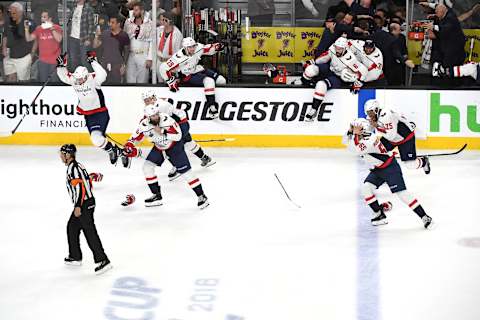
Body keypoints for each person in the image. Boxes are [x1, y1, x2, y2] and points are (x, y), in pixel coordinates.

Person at [344, 118, 434, 229]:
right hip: (378, 169)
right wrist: (350, 131)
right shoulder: (363, 136)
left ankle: (425, 217)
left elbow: (352, 148)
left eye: (354, 127)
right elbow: (346, 142)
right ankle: (379, 214)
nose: (352, 128)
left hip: (390, 168)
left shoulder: (368, 140)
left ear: (362, 129)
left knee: (402, 194)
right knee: (366, 188)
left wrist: (349, 134)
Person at [122, 106, 210, 209]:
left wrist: (163, 131)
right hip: (159, 148)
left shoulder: (167, 120)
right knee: (147, 167)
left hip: (174, 147)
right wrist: (129, 145)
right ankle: (156, 196)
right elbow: (134, 138)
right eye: (152, 116)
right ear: (148, 117)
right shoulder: (144, 124)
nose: (155, 117)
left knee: (186, 173)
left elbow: (178, 136)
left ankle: (201, 196)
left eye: (156, 114)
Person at [126, 90, 215, 179]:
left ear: (153, 98)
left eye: (148, 100)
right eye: (145, 101)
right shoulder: (153, 106)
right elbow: (147, 121)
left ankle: (177, 166)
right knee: (188, 142)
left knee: (167, 144)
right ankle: (205, 158)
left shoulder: (161, 106)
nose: (146, 102)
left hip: (181, 124)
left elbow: (164, 122)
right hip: (179, 123)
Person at [56, 51, 121, 165]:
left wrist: (93, 61)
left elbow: (103, 74)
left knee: (96, 139)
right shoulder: (75, 80)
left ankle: (112, 150)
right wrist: (61, 65)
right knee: (97, 139)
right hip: (88, 115)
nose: (79, 81)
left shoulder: (94, 79)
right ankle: (114, 149)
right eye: (78, 78)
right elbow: (64, 77)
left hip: (100, 113)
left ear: (86, 76)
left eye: (82, 78)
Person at [60, 144, 112, 274]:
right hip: (86, 202)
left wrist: (78, 206)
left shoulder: (74, 169)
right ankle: (75, 256)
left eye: (62, 154)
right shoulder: (77, 166)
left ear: (68, 155)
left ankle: (103, 260)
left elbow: (80, 188)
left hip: (83, 204)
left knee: (90, 232)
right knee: (72, 227)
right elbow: (87, 183)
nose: (60, 156)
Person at [301, 37, 368, 122]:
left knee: (321, 85)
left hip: (338, 78)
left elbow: (364, 70)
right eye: (337, 47)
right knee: (310, 69)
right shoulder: (333, 48)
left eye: (340, 49)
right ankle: (303, 82)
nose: (337, 50)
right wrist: (313, 62)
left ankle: (314, 110)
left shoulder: (351, 59)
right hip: (330, 69)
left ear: (345, 48)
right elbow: (325, 57)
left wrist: (359, 82)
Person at [159, 37, 226, 119]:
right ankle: (212, 108)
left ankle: (217, 100)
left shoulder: (198, 47)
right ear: (185, 48)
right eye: (190, 47)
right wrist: (170, 82)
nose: (193, 48)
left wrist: (216, 47)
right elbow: (163, 68)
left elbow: (208, 49)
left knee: (221, 81)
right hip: (188, 76)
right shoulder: (178, 58)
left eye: (193, 46)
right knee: (209, 81)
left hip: (197, 69)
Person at [363, 99, 431, 174]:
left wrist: (377, 126)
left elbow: (391, 136)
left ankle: (424, 161)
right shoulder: (371, 117)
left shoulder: (386, 116)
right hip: (391, 137)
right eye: (367, 113)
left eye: (370, 112)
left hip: (405, 139)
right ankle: (381, 174)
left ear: (376, 110)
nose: (369, 115)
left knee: (411, 165)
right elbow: (368, 130)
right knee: (374, 151)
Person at [427, 4, 466, 81]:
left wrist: (433, 27)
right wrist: (434, 16)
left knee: (452, 71)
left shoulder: (451, 17)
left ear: (442, 11)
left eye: (437, 12)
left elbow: (447, 28)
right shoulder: (444, 15)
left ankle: (453, 86)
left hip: (455, 50)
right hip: (449, 49)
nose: (436, 13)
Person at [24, 10, 62, 82]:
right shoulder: (39, 28)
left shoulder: (56, 27)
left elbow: (59, 39)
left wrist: (52, 28)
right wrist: (26, 29)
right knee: (43, 82)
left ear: (50, 19)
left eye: (44, 17)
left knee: (54, 83)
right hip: (43, 61)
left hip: (55, 61)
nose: (42, 19)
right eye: (41, 17)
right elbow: (28, 39)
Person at [123, 2, 154, 83]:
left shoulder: (149, 23)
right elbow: (124, 38)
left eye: (136, 10)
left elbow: (152, 42)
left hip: (143, 55)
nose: (134, 12)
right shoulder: (128, 22)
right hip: (131, 55)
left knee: (142, 81)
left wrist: (150, 58)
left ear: (142, 11)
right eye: (134, 10)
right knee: (130, 80)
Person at [93, 15, 130, 84]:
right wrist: (96, 36)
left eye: (113, 23)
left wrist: (124, 66)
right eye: (110, 22)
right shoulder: (105, 33)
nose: (110, 24)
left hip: (117, 66)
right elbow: (95, 46)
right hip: (104, 64)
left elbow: (127, 52)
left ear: (118, 24)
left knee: (116, 86)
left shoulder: (124, 35)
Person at [2, 2, 33, 82]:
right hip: (10, 56)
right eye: (10, 12)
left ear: (20, 12)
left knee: (23, 82)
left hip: (23, 57)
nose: (11, 15)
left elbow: (36, 37)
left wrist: (32, 54)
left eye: (14, 13)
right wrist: (4, 47)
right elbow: (5, 35)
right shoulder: (9, 21)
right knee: (10, 78)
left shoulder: (29, 22)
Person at [67, 0, 96, 72]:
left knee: (85, 61)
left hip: (83, 38)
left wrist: (89, 39)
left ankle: (89, 79)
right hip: (73, 37)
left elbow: (91, 25)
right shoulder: (74, 6)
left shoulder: (88, 9)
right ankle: (76, 79)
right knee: (73, 60)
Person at [156, 11, 182, 83]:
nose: (163, 22)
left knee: (169, 83)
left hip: (169, 63)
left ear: (171, 21)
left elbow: (178, 52)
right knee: (159, 83)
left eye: (165, 20)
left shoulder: (177, 34)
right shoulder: (159, 30)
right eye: (162, 20)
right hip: (159, 61)